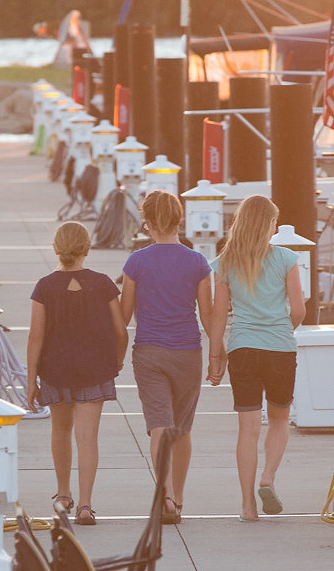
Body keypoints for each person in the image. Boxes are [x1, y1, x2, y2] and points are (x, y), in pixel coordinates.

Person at [206, 195, 304, 521]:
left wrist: (215, 355)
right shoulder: (287, 258)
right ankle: (268, 478)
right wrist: (282, 328)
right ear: (268, 225)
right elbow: (300, 310)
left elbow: (218, 316)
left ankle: (247, 506)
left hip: (242, 348)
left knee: (247, 429)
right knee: (278, 420)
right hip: (279, 348)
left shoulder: (223, 263)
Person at [119, 190, 214, 525]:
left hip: (149, 352)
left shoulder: (136, 262)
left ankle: (165, 493)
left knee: (160, 424)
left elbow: (124, 315)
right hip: (188, 351)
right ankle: (179, 497)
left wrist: (116, 355)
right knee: (182, 429)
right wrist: (217, 353)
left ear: (146, 223)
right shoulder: (198, 262)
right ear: (180, 218)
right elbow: (208, 314)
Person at [26, 221, 127, 526]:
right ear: (87, 248)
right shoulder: (104, 283)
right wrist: (117, 361)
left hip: (56, 370)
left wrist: (31, 379)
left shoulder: (44, 286)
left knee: (60, 430)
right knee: (88, 437)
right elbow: (120, 330)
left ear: (56, 249)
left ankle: (62, 494)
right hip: (94, 369)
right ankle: (85, 504)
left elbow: (36, 337)